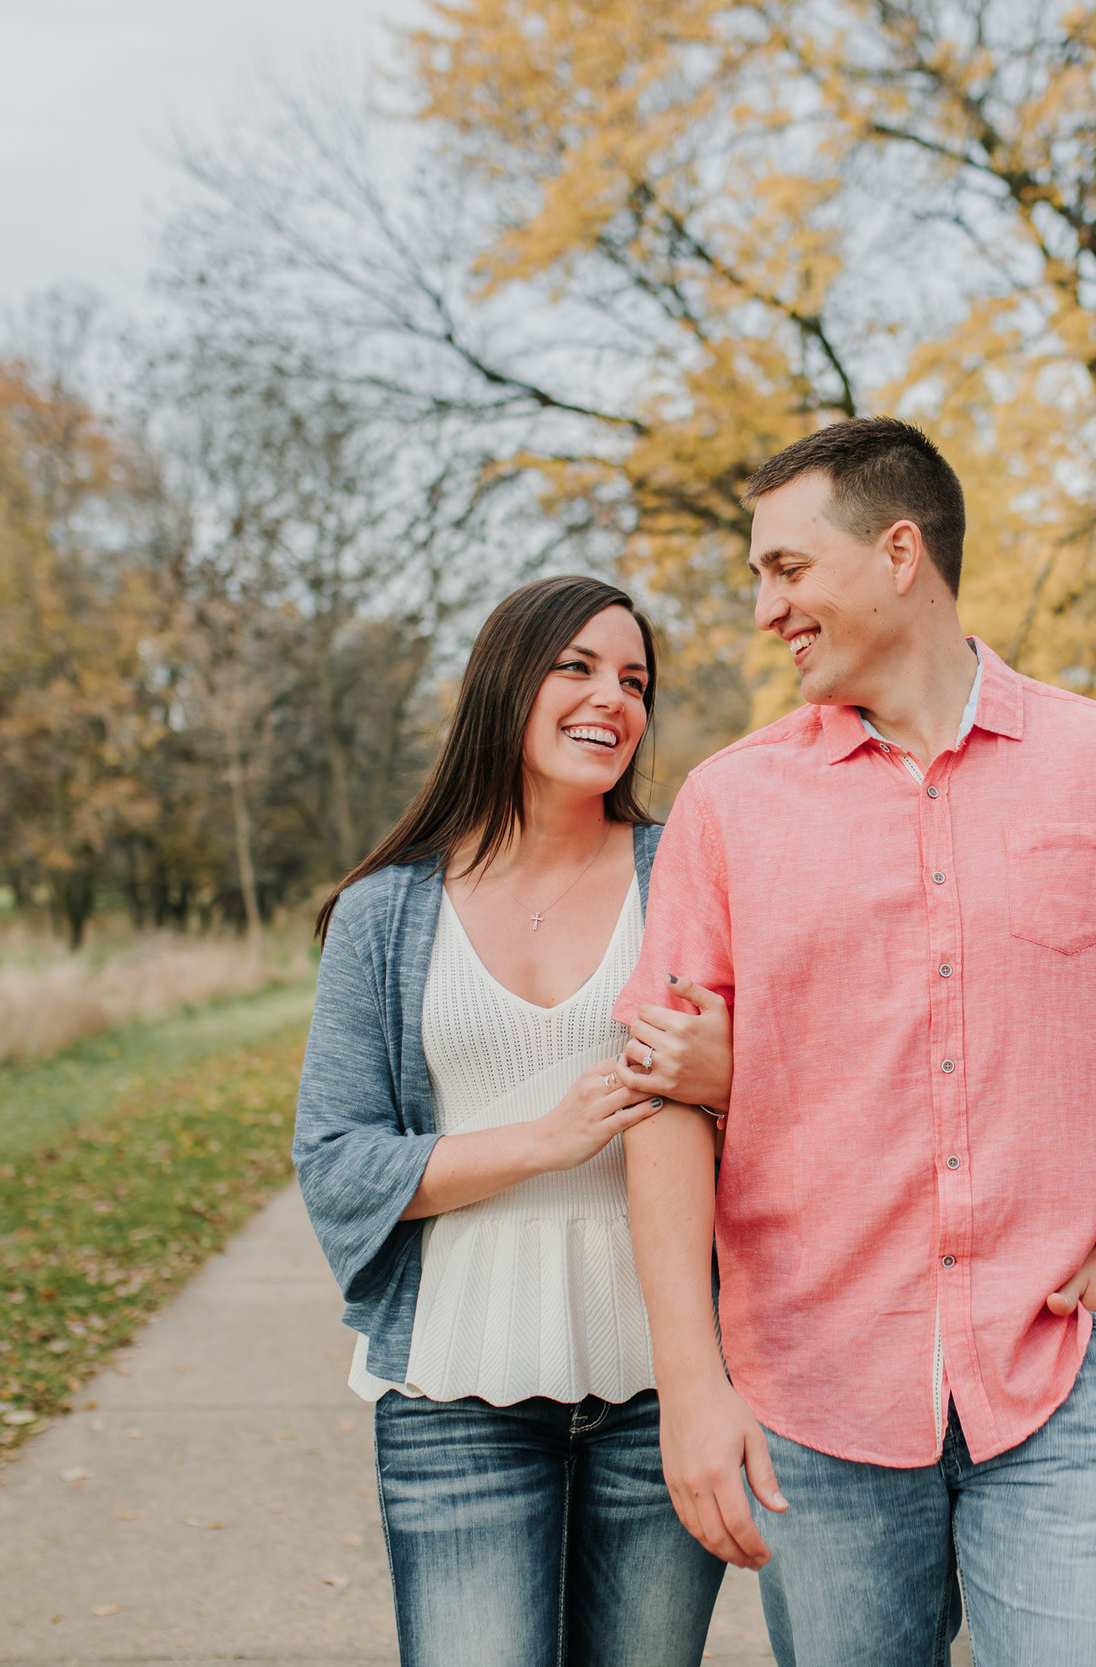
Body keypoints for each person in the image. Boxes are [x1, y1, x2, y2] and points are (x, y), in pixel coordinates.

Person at [615, 419, 1096, 1667]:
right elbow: (663, 1101)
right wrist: (690, 1384)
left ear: (899, 551)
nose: (766, 608)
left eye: (787, 568)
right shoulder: (729, 806)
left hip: (1063, 1374)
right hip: (815, 1397)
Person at [293, 575, 734, 1667]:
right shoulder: (385, 911)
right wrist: (545, 1134)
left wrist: (727, 1076)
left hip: (658, 1378)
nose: (611, 699)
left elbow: (806, 1097)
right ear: (504, 683)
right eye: (577, 666)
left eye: (633, 679)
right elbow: (337, 1160)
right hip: (455, 1382)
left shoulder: (683, 868)